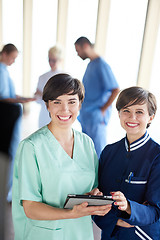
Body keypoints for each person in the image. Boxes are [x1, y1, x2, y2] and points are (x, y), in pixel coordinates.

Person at [12, 73, 111, 240]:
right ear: (47, 106)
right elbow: (30, 207)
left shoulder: (87, 143)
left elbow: (92, 188)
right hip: (45, 234)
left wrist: (94, 197)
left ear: (80, 104)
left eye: (72, 102)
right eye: (57, 102)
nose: (65, 110)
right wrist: (71, 213)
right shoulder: (31, 147)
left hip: (81, 232)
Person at [93, 86, 160, 239]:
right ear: (119, 114)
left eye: (139, 112)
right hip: (110, 235)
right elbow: (97, 201)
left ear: (151, 117)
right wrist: (114, 221)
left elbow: (156, 211)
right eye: (126, 111)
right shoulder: (108, 152)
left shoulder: (157, 156)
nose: (132, 117)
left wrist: (129, 206)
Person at [0, 43, 35, 202]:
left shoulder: (5, 72)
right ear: (5, 54)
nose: (13, 61)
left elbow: (10, 93)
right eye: (12, 57)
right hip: (6, 118)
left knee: (14, 154)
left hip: (11, 118)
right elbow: (3, 98)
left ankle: (9, 191)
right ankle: (6, 192)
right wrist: (20, 101)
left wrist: (22, 98)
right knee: (8, 156)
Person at [74, 36, 119, 157]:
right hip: (87, 115)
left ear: (86, 46)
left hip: (96, 116)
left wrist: (103, 110)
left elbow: (115, 89)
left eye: (78, 50)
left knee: (98, 152)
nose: (77, 54)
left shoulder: (101, 65)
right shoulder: (91, 65)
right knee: (88, 151)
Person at [34, 45, 63, 128]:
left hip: (59, 116)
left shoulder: (65, 77)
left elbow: (62, 99)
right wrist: (36, 96)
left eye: (54, 60)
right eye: (49, 60)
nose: (51, 63)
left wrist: (43, 95)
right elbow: (38, 100)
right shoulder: (42, 77)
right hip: (44, 116)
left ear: (60, 60)